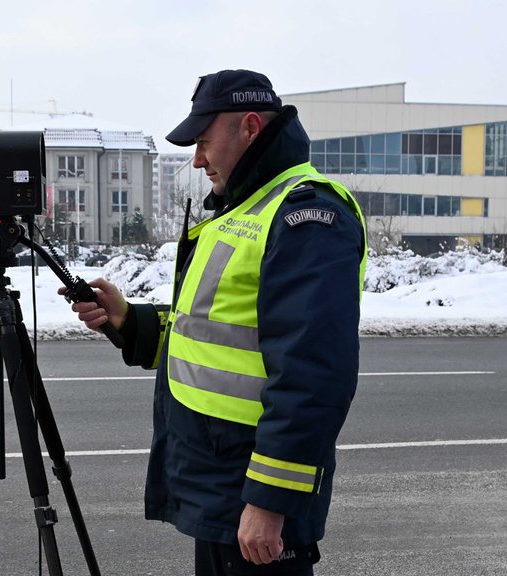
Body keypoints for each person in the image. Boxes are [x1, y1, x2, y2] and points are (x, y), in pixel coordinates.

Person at [62, 69, 367, 575]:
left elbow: (313, 373)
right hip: (221, 484)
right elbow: (213, 335)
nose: (198, 159)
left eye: (204, 142)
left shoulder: (306, 215)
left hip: (251, 492)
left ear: (249, 126)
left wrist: (269, 502)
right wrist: (130, 322)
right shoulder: (243, 210)